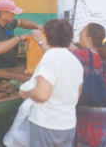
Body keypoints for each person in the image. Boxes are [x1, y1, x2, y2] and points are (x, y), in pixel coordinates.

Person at [19, 19, 83, 147]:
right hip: (68, 124)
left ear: (47, 36)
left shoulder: (50, 58)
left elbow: (42, 95)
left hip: (47, 123)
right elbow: (77, 94)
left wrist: (26, 92)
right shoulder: (75, 61)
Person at [71, 23, 106, 147]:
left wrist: (40, 41)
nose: (79, 35)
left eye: (82, 33)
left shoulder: (83, 55)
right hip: (105, 109)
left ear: (89, 40)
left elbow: (61, 55)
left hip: (89, 112)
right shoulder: (102, 55)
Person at [0, 0, 43, 70]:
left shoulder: (8, 22)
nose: (15, 15)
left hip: (10, 67)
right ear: (3, 14)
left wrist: (37, 26)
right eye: (12, 13)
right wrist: (19, 38)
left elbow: (21, 23)